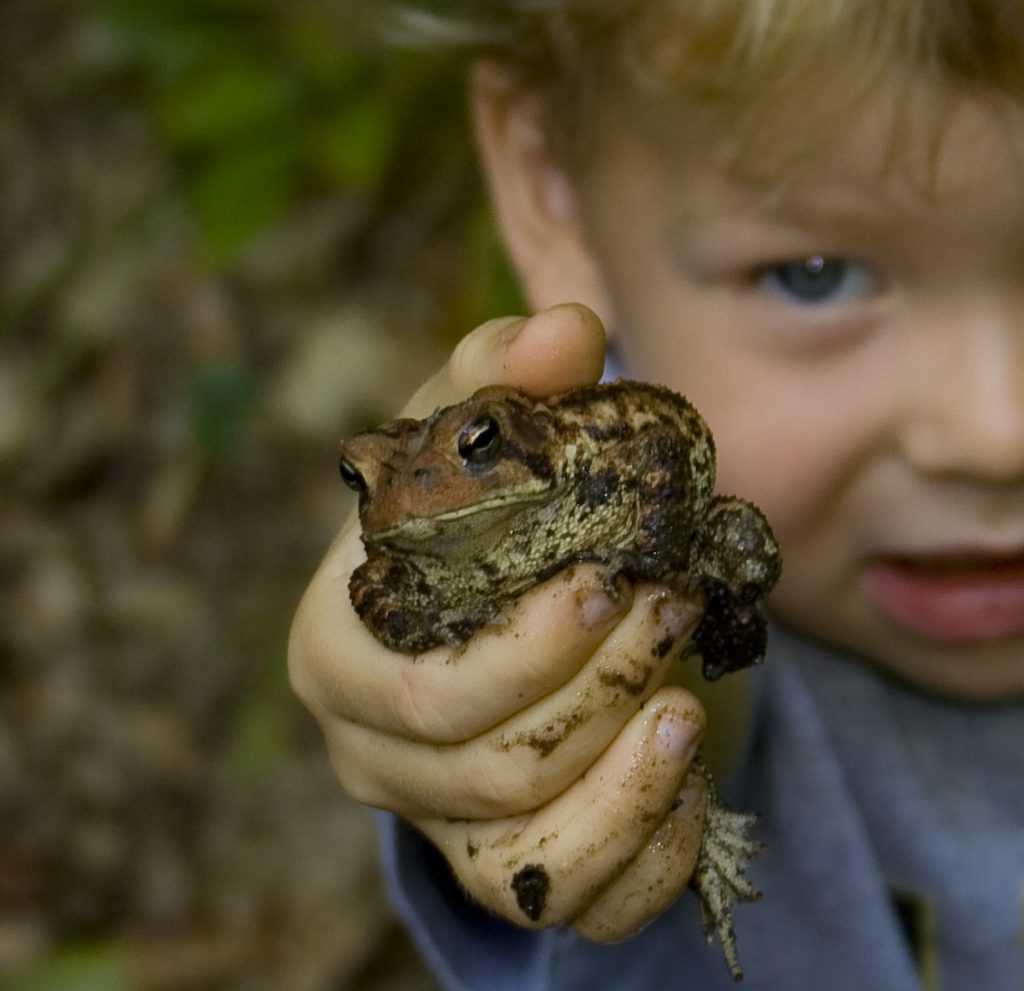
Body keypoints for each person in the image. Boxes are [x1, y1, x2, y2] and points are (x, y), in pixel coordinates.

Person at [288, 2, 1024, 988]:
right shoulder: (725, 659)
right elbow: (695, 696)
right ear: (552, 185)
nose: (994, 431)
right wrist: (510, 721)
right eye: (814, 273)